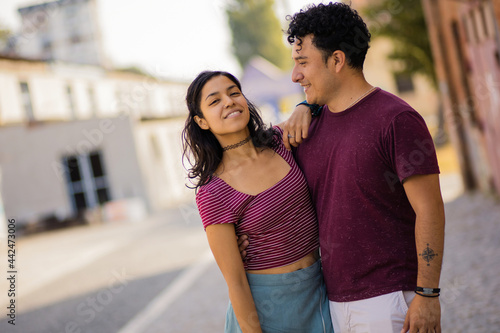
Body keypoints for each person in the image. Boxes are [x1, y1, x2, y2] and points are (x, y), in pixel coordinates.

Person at [238, 3, 445, 333]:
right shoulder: (307, 127)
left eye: (303, 62)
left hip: (391, 300)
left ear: (336, 60)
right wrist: (248, 234)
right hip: (333, 303)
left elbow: (430, 209)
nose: (295, 75)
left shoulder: (396, 119)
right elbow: (266, 179)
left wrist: (427, 294)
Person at [182, 70, 334, 333]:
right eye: (214, 101)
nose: (229, 102)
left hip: (319, 289)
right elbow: (236, 282)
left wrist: (303, 105)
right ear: (202, 121)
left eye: (233, 93)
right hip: (267, 308)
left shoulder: (279, 141)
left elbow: (326, 103)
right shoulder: (213, 191)